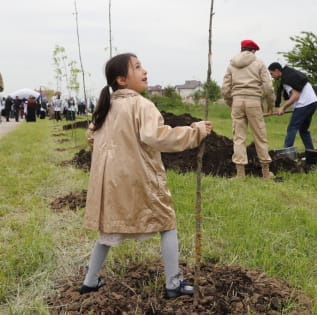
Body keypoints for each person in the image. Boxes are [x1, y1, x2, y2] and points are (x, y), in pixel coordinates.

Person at [80, 53, 212, 299]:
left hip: (109, 183)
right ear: (122, 79)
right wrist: (196, 132)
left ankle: (90, 281)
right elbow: (158, 137)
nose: (145, 70)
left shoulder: (106, 107)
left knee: (108, 232)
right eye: (137, 67)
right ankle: (173, 284)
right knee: (167, 222)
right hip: (140, 179)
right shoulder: (142, 105)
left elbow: (92, 137)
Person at [222, 39, 275, 178]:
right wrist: (270, 105)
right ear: (253, 51)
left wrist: (231, 103)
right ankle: (265, 173)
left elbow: (225, 90)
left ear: (241, 49)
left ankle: (240, 174)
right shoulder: (259, 63)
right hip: (253, 102)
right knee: (260, 136)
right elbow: (268, 88)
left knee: (239, 138)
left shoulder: (231, 64)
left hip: (237, 102)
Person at [268, 62, 317, 150]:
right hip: (312, 102)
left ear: (277, 70)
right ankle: (311, 151)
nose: (272, 76)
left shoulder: (287, 80)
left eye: (271, 73)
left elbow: (295, 96)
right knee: (303, 130)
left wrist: (283, 107)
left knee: (292, 127)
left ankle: (286, 152)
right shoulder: (291, 74)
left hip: (304, 104)